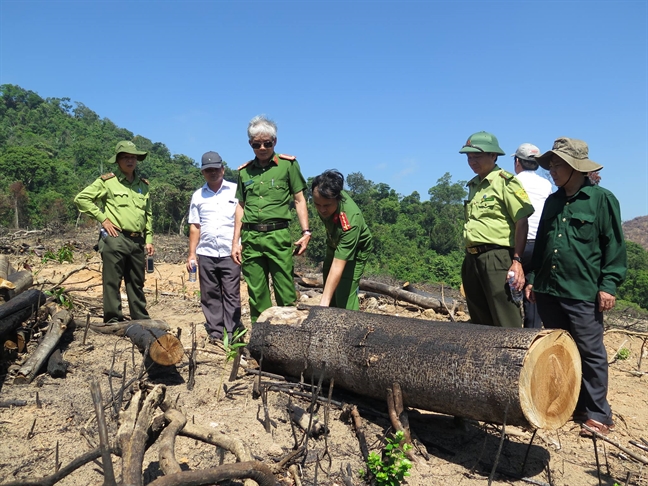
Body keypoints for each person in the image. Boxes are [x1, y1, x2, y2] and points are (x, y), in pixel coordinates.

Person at [525, 137, 627, 437]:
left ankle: (599, 414)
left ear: (575, 167)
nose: (552, 170)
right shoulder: (553, 202)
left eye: (557, 165)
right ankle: (573, 404)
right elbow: (543, 244)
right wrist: (532, 280)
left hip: (582, 290)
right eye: (551, 165)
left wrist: (608, 285)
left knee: (590, 350)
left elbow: (614, 246)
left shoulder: (602, 199)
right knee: (560, 348)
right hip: (549, 289)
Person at [231, 115, 311, 323]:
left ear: (274, 142)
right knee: (257, 292)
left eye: (267, 143)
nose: (262, 148)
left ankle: (290, 334)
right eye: (257, 144)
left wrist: (306, 232)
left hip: (278, 235)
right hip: (251, 238)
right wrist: (235, 242)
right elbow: (240, 206)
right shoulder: (244, 172)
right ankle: (262, 338)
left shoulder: (288, 166)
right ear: (250, 144)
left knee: (284, 288)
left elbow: (299, 199)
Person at [459, 131, 534, 328]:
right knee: (480, 320)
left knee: (505, 319)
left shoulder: (505, 181)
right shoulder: (474, 185)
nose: (471, 161)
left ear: (493, 156)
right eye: (469, 157)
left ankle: (514, 358)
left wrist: (517, 260)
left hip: (497, 258)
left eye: (477, 156)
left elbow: (522, 221)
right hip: (472, 258)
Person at [74, 140, 154, 323]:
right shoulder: (107, 182)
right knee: (112, 282)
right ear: (118, 161)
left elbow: (148, 214)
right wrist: (104, 219)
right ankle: (113, 320)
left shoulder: (143, 185)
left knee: (136, 282)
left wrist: (149, 239)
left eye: (133, 157)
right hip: (115, 238)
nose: (130, 160)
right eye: (125, 157)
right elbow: (81, 199)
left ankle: (141, 319)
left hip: (137, 240)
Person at [187, 151, 241, 343]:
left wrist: (238, 244)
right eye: (208, 170)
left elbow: (241, 220)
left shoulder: (236, 191)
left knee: (232, 292)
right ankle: (216, 332)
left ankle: (233, 331)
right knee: (210, 294)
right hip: (206, 252)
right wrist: (192, 254)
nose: (212, 172)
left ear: (222, 169)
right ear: (203, 172)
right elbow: (195, 226)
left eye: (215, 169)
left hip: (230, 251)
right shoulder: (198, 195)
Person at [311, 170, 373, 310]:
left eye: (326, 205)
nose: (322, 209)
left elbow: (338, 265)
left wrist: (322, 305)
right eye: (317, 204)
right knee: (329, 285)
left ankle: (352, 328)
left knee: (344, 295)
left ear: (338, 199)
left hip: (356, 250)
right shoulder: (323, 196)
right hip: (333, 242)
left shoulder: (351, 221)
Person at [512, 143, 553, 328]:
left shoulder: (512, 182)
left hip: (517, 244)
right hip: (540, 245)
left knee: (511, 291)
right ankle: (531, 337)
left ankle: (508, 331)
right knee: (533, 294)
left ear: (517, 161)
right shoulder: (546, 184)